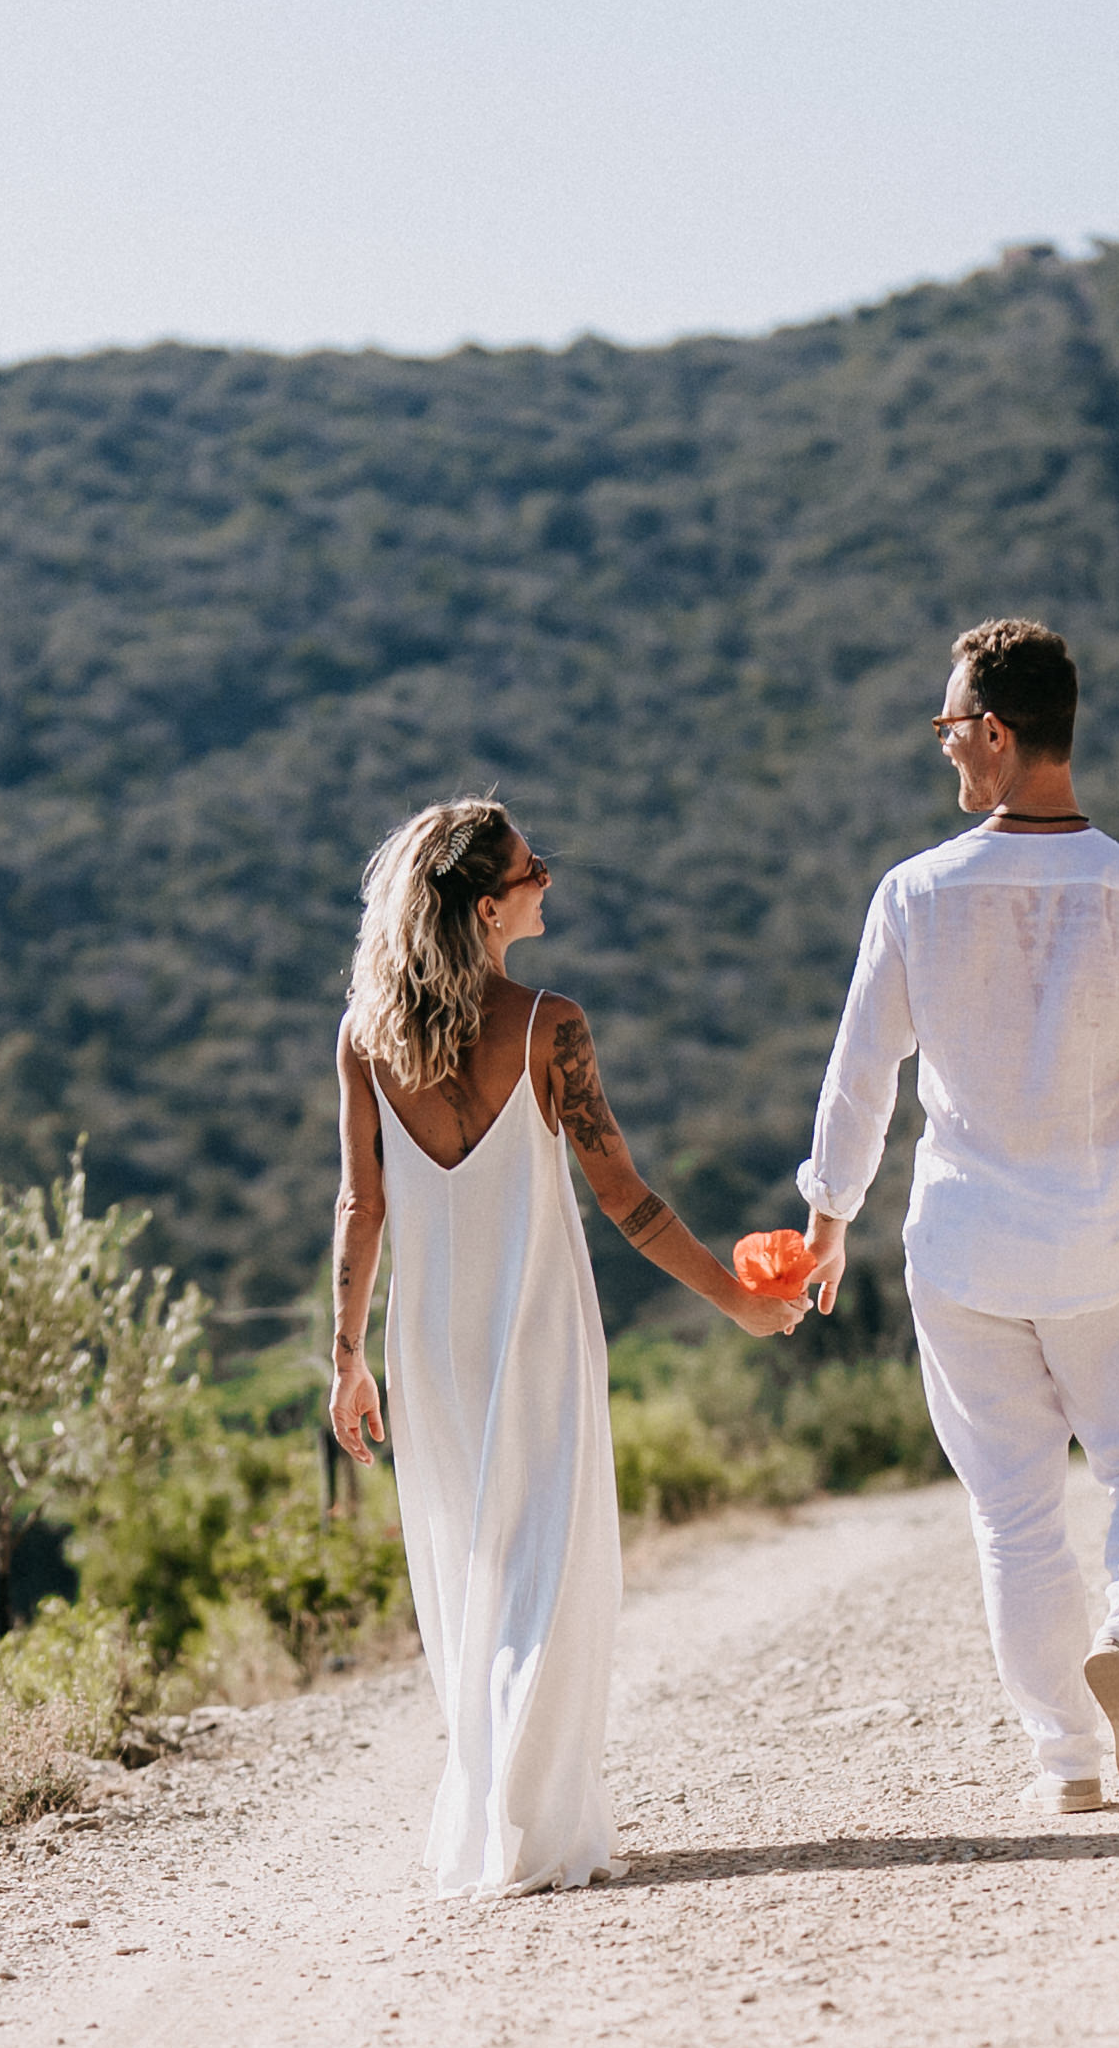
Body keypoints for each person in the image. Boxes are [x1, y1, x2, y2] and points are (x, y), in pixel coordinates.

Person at [792, 619, 1119, 1818]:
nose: (946, 749)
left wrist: (827, 1217)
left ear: (996, 733)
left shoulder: (913, 895)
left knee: (1012, 1514)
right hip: (1104, 1238)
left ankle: (1065, 1760)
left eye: (951, 729)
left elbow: (860, 1080)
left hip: (960, 1250)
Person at [332, 796, 805, 1894]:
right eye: (534, 868)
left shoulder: (365, 1036)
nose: (549, 879)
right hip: (533, 1320)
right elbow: (625, 1199)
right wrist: (734, 1301)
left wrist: (346, 1355)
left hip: (426, 1334)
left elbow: (362, 1207)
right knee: (552, 1561)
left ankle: (494, 1803)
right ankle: (527, 1820)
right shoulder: (550, 1025)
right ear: (489, 907)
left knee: (469, 1565)